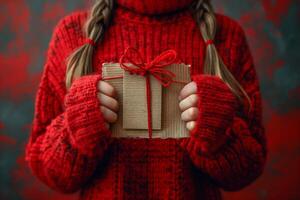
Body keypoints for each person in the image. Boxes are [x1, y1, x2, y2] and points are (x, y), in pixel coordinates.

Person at [25, 0, 267, 199]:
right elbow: (45, 168)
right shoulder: (73, 34)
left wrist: (219, 132)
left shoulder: (227, 38)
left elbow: (249, 168)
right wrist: (77, 126)